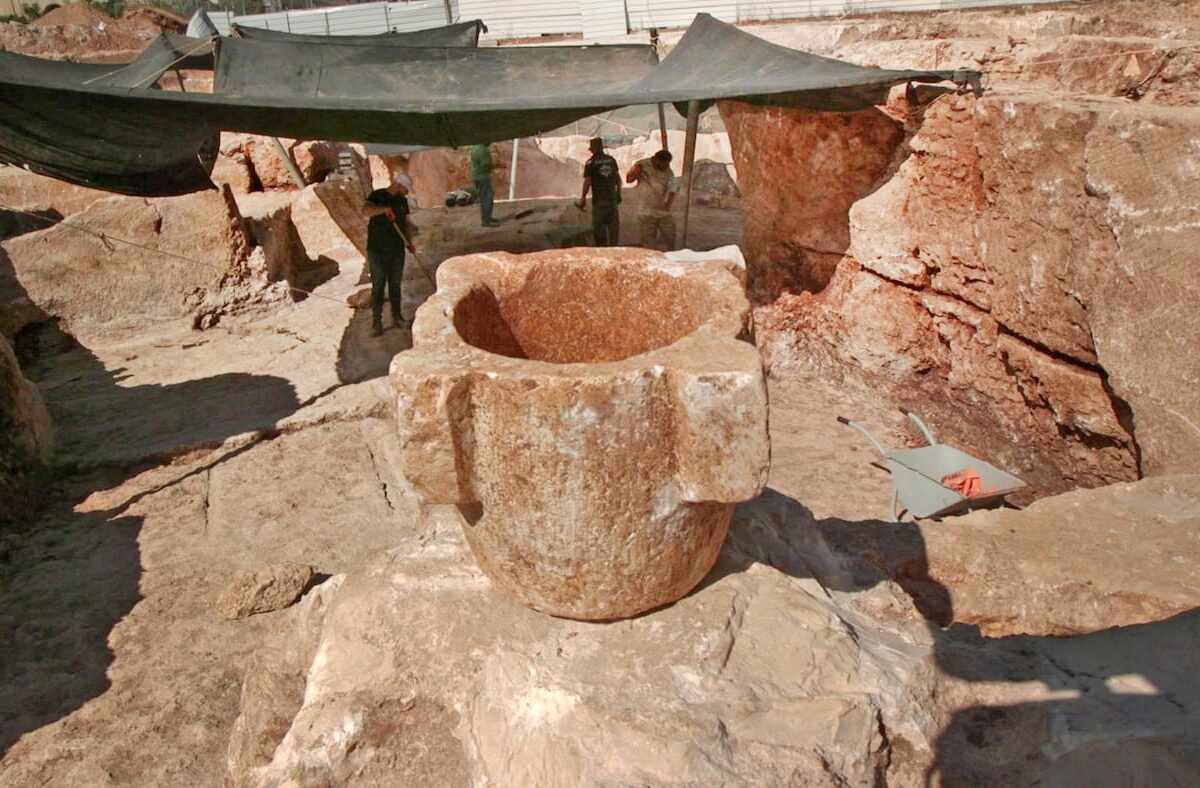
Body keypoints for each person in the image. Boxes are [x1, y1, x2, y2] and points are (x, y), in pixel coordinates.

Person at [362, 172, 416, 336]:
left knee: (395, 284)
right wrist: (384, 209)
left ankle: (397, 317)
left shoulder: (402, 201)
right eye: (406, 189)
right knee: (378, 286)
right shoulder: (377, 195)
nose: (407, 192)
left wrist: (409, 242)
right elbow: (365, 211)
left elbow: (405, 223)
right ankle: (376, 323)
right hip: (377, 250)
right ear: (399, 184)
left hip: (397, 249)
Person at [625, 149, 677, 251]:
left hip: (662, 211)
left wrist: (668, 205)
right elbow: (628, 179)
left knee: (670, 237)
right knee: (648, 240)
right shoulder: (642, 164)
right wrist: (636, 173)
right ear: (657, 160)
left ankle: (670, 257)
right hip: (645, 211)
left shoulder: (668, 171)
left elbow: (672, 189)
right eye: (664, 164)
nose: (665, 167)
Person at [576, 137, 622, 246]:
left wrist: (583, 197)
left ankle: (603, 251)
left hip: (599, 201)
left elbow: (588, 181)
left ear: (593, 149)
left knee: (599, 228)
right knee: (613, 228)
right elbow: (617, 179)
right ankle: (614, 249)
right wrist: (618, 194)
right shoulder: (611, 160)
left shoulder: (590, 163)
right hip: (612, 199)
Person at [469, 143, 505, 227]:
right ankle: (486, 221)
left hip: (479, 176)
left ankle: (488, 218)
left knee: (488, 197)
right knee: (486, 199)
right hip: (482, 178)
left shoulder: (476, 146)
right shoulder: (482, 150)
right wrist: (499, 165)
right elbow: (486, 165)